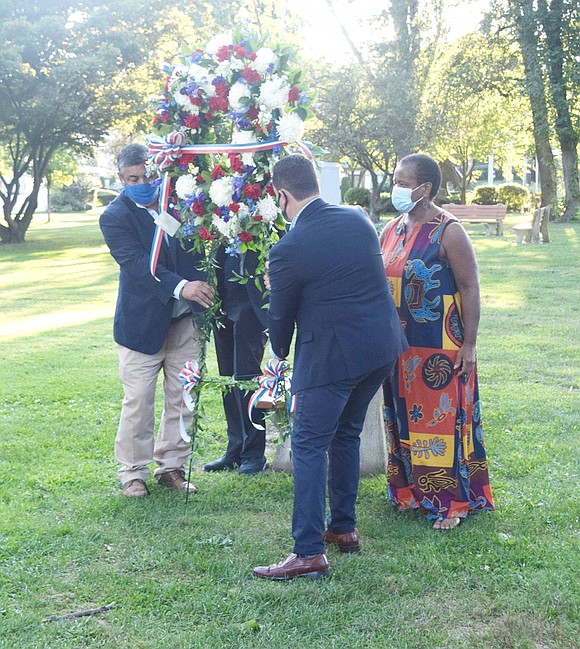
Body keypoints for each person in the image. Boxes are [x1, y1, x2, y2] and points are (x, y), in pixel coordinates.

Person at [253, 154, 408, 580]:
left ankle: (307, 552)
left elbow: (281, 320)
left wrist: (279, 349)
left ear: (281, 195)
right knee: (347, 433)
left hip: (333, 357)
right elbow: (346, 276)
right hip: (380, 348)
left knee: (307, 444)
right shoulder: (358, 218)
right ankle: (343, 528)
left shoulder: (287, 249)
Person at [380, 153, 495, 530]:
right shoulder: (392, 228)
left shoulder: (449, 230)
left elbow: (470, 287)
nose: (394, 186)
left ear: (424, 188)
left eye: (401, 180)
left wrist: (471, 343)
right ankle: (409, 489)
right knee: (403, 415)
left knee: (440, 421)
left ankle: (451, 501)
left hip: (440, 348)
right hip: (399, 347)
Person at [100, 143, 215, 497]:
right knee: (138, 401)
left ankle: (172, 467)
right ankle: (133, 473)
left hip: (184, 324)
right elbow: (137, 266)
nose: (142, 182)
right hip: (141, 327)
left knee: (183, 397)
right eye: (132, 178)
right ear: (121, 178)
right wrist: (183, 287)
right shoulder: (114, 217)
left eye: (147, 175)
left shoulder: (177, 202)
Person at [203, 247, 268, 475]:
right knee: (228, 379)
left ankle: (254, 452)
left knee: (247, 377)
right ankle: (235, 447)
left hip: (252, 301)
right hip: (223, 297)